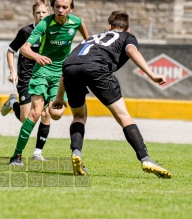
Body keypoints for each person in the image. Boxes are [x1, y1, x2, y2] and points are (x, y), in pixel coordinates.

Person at [51, 10, 172, 178]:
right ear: (127, 28)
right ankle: (146, 158)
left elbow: (70, 64)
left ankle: (76, 152)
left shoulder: (92, 38)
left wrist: (59, 97)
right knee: (123, 116)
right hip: (96, 68)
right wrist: (151, 74)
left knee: (78, 116)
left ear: (109, 26)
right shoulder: (127, 37)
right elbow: (132, 51)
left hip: (70, 68)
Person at [8, 0, 89, 166]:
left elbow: (88, 42)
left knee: (56, 114)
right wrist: (37, 57)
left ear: (71, 8)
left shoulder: (77, 23)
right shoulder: (45, 23)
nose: (60, 10)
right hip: (42, 72)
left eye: (64, 7)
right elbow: (24, 48)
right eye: (57, 7)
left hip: (61, 75)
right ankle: (17, 155)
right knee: (35, 113)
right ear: (53, 8)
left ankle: (38, 146)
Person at [1, 0, 52, 161]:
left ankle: (37, 152)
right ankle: (13, 103)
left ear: (48, 13)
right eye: (38, 12)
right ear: (33, 14)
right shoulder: (26, 32)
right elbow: (10, 50)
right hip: (26, 77)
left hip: (44, 77)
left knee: (45, 113)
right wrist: (12, 71)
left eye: (44, 12)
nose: (41, 15)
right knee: (25, 117)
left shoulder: (53, 32)